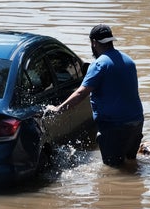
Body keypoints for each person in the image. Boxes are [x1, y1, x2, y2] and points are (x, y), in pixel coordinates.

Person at [47, 24, 144, 167]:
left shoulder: (99, 65)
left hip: (114, 127)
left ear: (94, 43)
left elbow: (81, 93)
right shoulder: (129, 61)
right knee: (130, 164)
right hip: (136, 122)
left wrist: (57, 109)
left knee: (113, 170)